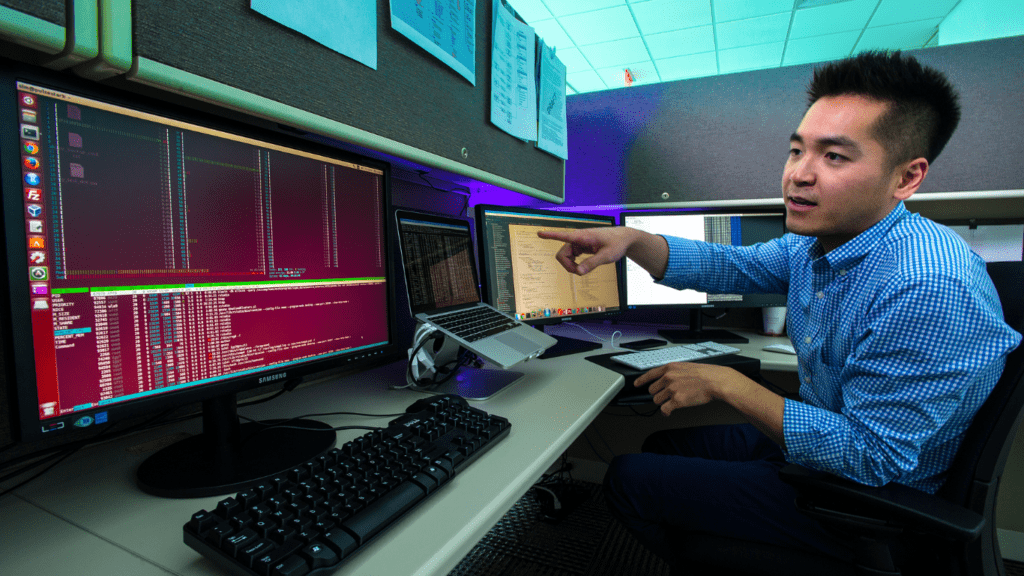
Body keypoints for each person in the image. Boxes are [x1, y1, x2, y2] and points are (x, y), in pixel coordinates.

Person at [538, 51, 1022, 565]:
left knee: (629, 480)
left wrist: (728, 384)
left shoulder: (926, 285)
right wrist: (633, 240)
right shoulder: (823, 243)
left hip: (871, 500)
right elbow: (728, 267)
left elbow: (871, 457)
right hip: (824, 443)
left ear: (906, 178)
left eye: (834, 156)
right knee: (663, 446)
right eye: (796, 150)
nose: (799, 175)